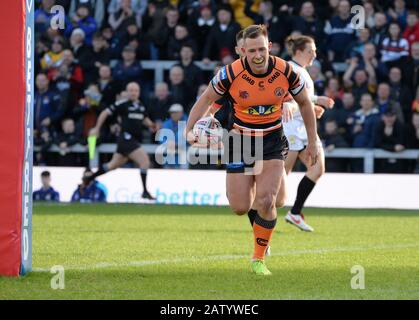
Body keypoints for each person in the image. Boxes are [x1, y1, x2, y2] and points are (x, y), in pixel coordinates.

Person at [185, 25, 319, 276]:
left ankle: (258, 259)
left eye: (262, 49)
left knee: (269, 200)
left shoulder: (286, 71)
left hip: (272, 140)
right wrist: (189, 129)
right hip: (240, 141)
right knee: (240, 206)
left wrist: (312, 141)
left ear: (269, 47)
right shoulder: (229, 74)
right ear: (242, 51)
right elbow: (204, 100)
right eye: (252, 50)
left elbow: (304, 103)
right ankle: (263, 193)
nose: (258, 55)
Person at [281, 35, 335, 232]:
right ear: (299, 51)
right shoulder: (289, 69)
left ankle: (295, 213)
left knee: (317, 169)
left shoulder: (302, 71)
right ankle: (260, 214)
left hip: (305, 129)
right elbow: (287, 98)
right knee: (281, 178)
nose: (314, 54)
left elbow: (301, 101)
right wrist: (316, 100)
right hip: (289, 129)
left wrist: (312, 108)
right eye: (311, 50)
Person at [88, 82, 157, 200]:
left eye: (136, 90)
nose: (133, 93)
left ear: (139, 92)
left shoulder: (140, 105)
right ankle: (145, 191)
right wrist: (97, 128)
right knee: (145, 161)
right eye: (131, 90)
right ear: (127, 92)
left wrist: (152, 125)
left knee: (112, 165)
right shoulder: (122, 104)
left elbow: (144, 118)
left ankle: (88, 179)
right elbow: (105, 112)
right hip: (126, 138)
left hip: (132, 140)